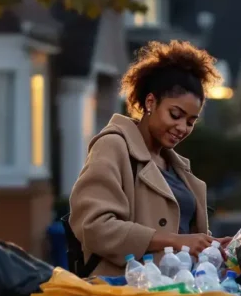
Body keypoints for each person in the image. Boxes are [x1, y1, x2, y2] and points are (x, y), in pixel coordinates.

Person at [69, 40, 231, 277]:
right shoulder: (114, 146)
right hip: (125, 295)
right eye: (175, 114)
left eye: (191, 121)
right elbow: (94, 227)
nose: (182, 127)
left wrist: (208, 246)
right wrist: (174, 241)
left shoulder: (177, 167)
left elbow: (181, 233)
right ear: (150, 102)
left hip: (175, 292)